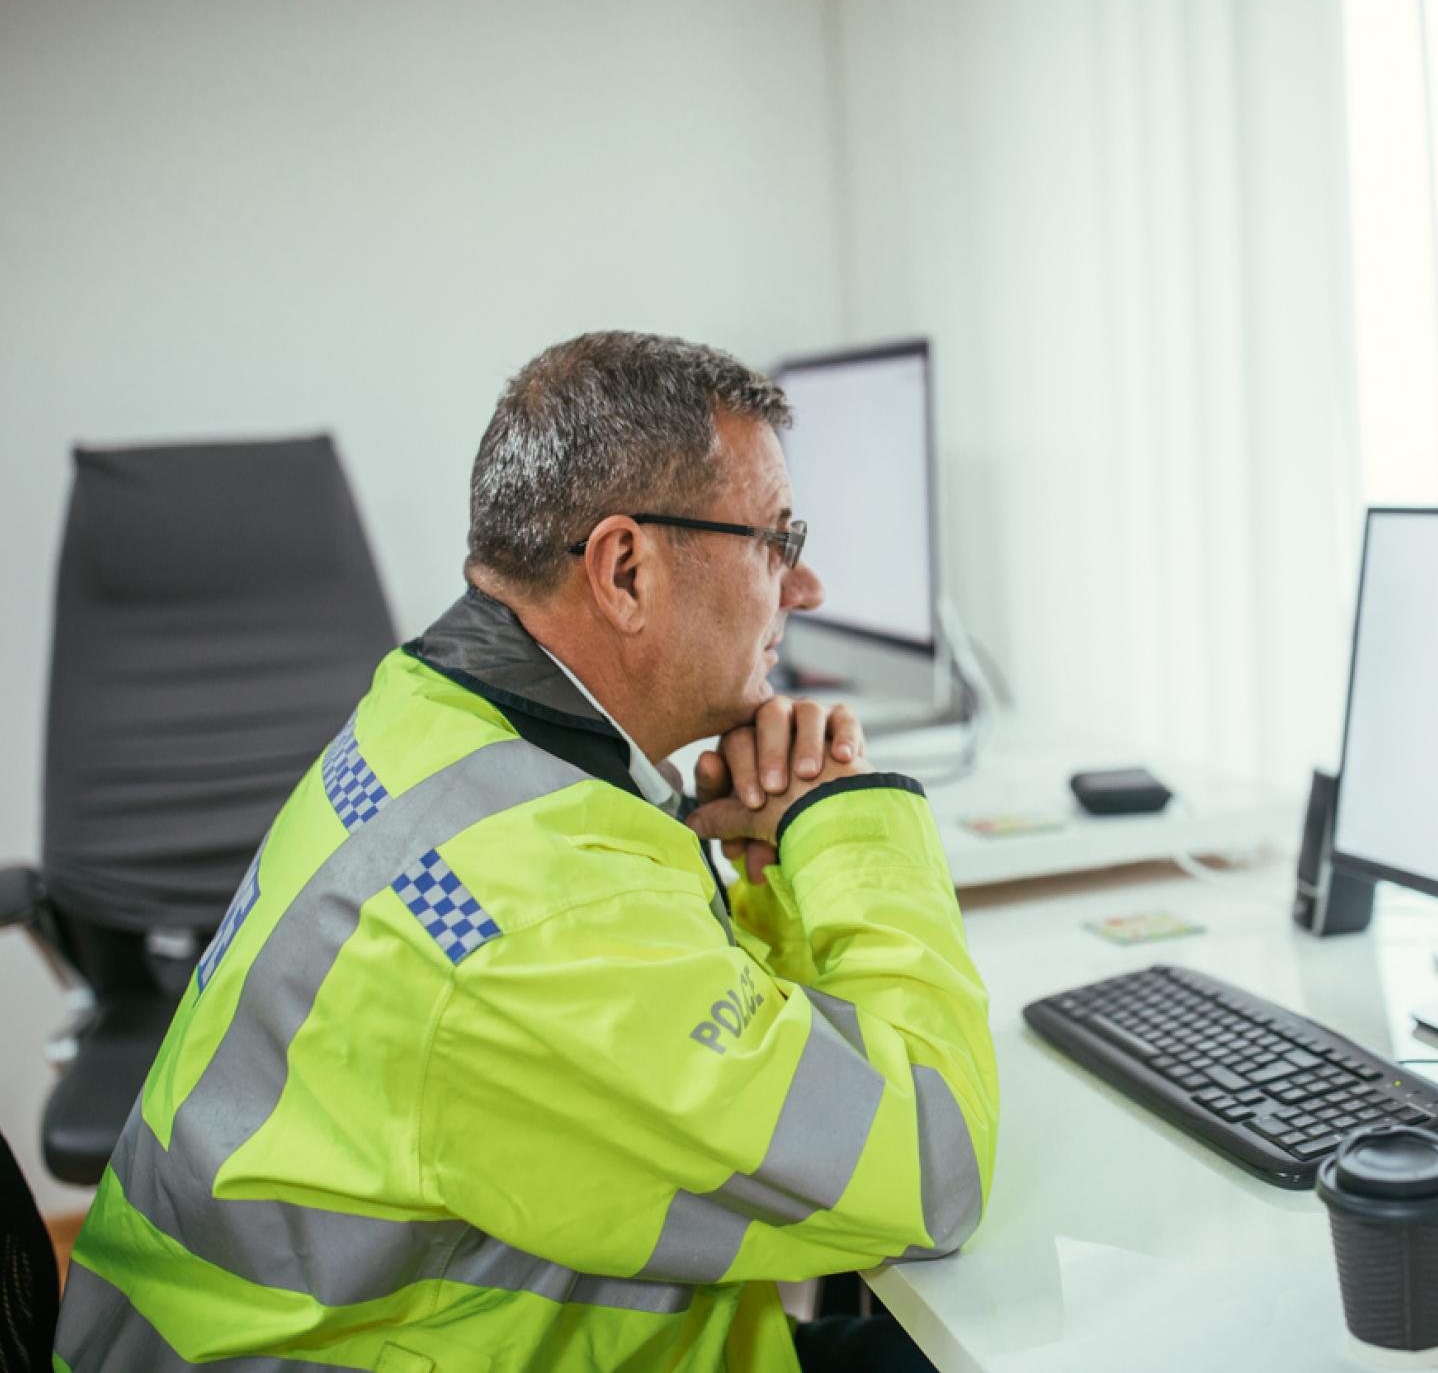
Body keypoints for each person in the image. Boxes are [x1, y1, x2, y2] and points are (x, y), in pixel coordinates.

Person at [53, 332, 1000, 1372]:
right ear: (626, 568)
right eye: (776, 538)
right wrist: (848, 817)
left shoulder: (432, 719)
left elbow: (719, 1048)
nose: (804, 586)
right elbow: (932, 1169)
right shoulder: (539, 918)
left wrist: (768, 863)